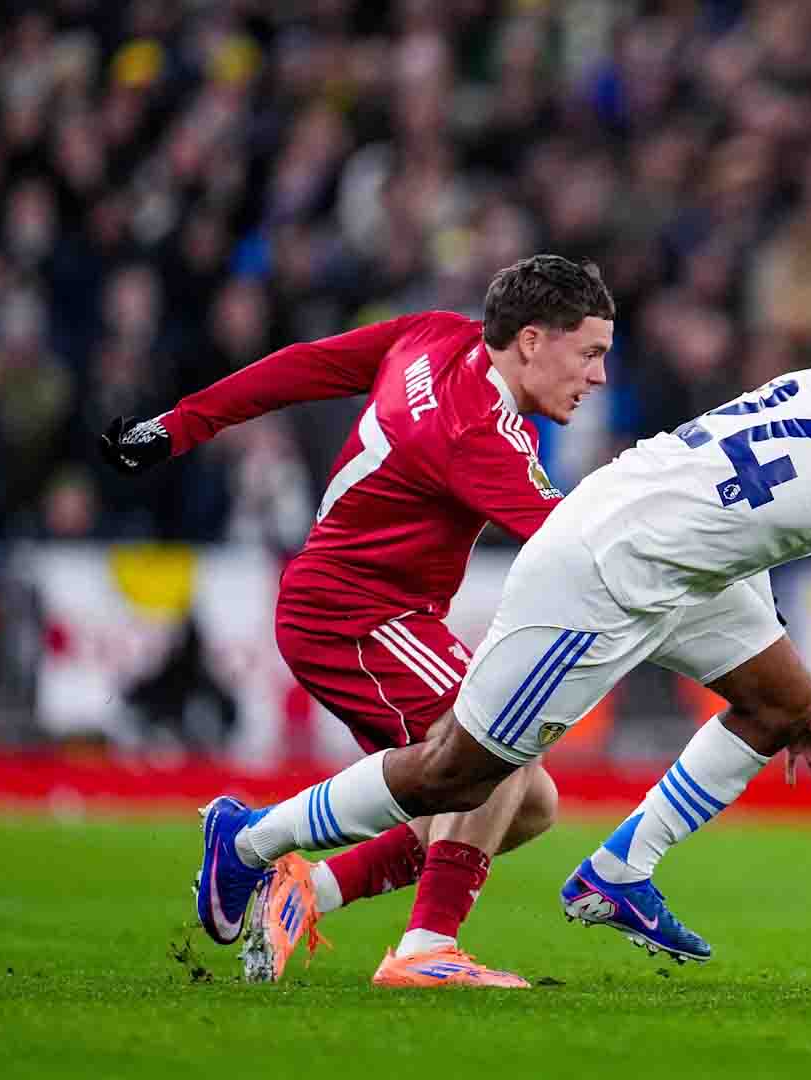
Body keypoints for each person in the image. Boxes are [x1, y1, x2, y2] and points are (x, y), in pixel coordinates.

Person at [194, 327, 811, 964]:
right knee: (463, 770)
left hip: (666, 546)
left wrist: (774, 656)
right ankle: (247, 842)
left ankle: (619, 871)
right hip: (608, 573)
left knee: (784, 702)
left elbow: (737, 512)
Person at [100, 254, 614, 988]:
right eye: (589, 353)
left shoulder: (436, 337)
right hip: (355, 611)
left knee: (528, 804)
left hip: (363, 605)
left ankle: (307, 888)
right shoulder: (482, 434)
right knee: (493, 743)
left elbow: (305, 367)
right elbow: (587, 550)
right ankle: (410, 938)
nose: (596, 377)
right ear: (532, 341)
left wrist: (180, 425)